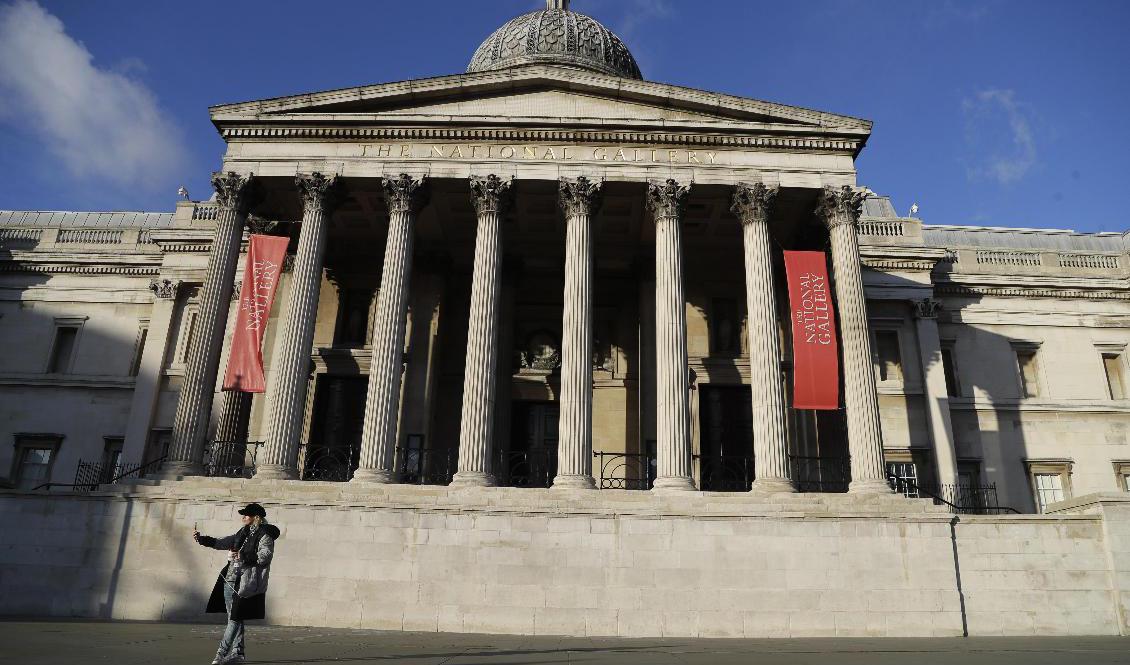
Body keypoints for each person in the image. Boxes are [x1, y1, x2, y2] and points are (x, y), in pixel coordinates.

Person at [193, 503, 281, 665]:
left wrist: (242, 556)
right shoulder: (243, 532)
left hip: (244, 583)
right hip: (230, 580)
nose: (243, 516)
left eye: (247, 514)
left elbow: (265, 556)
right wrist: (202, 539)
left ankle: (220, 655)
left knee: (234, 619)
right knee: (235, 618)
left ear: (256, 517)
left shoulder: (265, 534)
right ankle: (238, 653)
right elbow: (223, 542)